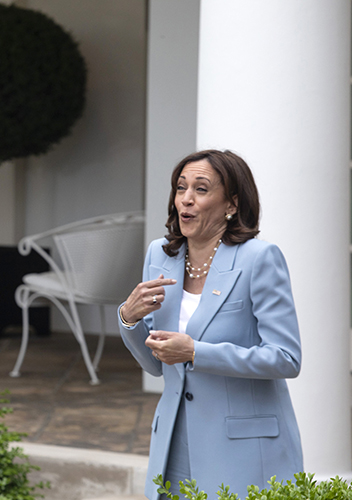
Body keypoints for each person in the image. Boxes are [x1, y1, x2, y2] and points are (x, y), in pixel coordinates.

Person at [118, 150, 302, 499]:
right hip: (174, 444)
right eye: (180, 187)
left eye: (201, 190)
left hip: (243, 449)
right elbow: (157, 366)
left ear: (231, 204)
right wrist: (129, 319)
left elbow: (286, 358)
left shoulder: (259, 259)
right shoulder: (161, 254)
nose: (186, 199)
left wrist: (195, 352)